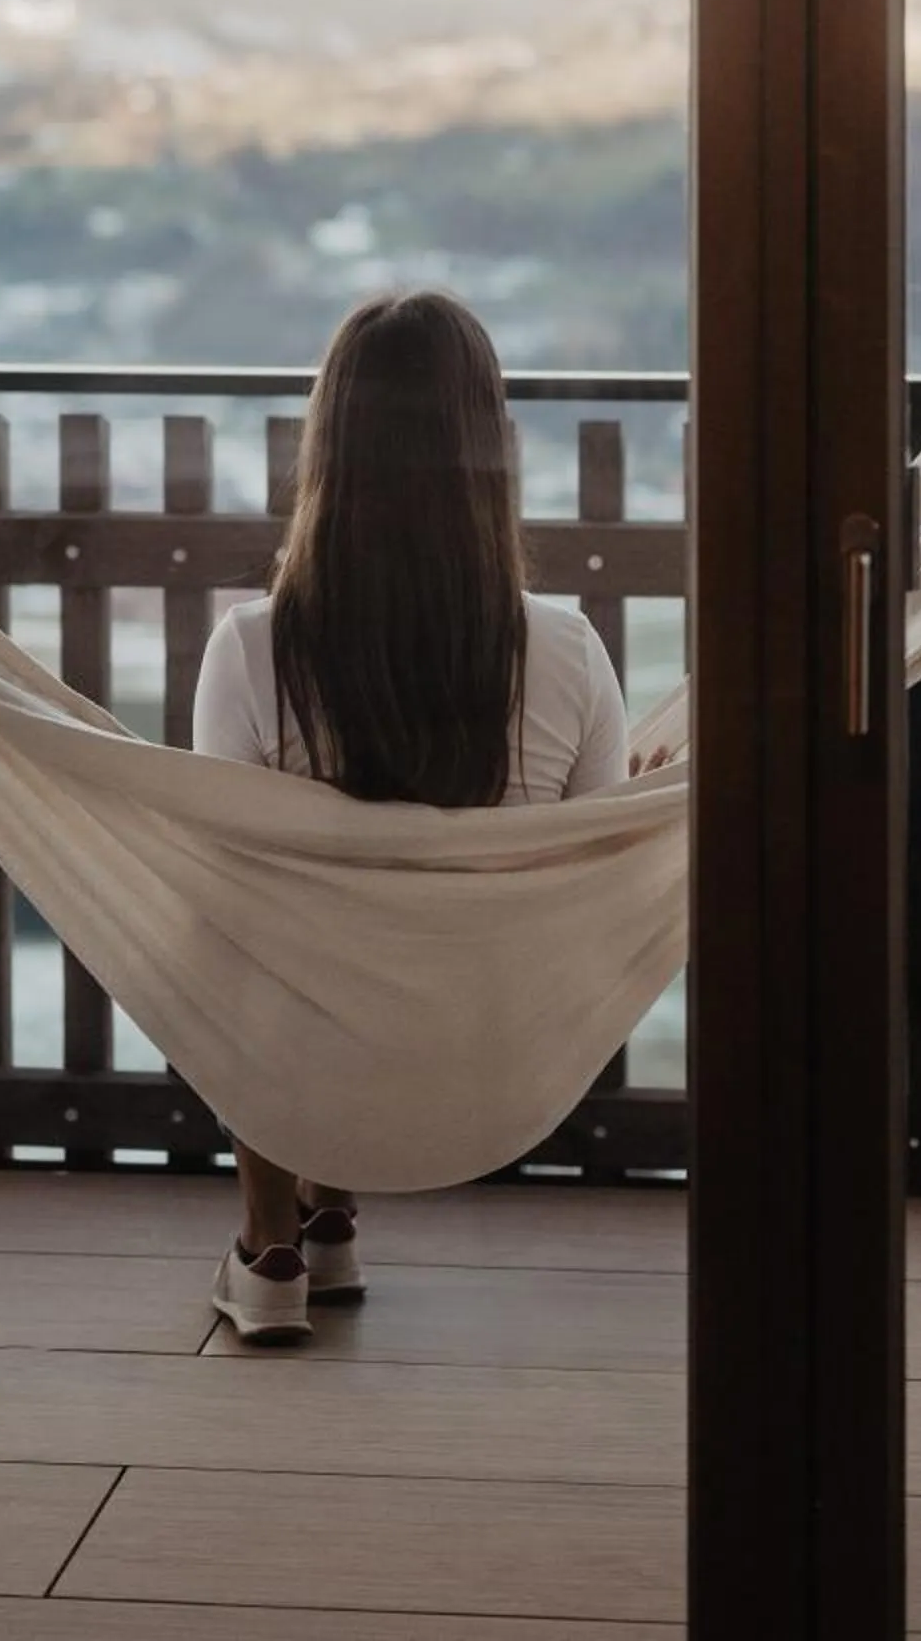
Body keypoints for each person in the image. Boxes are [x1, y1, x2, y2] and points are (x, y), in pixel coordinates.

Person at [191, 286, 633, 1344]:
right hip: (489, 1041)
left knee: (255, 928)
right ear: (488, 446)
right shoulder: (566, 650)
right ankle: (332, 1206)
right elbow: (598, 856)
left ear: (328, 445)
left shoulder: (252, 648)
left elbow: (224, 874)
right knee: (346, 935)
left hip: (308, 1039)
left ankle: (273, 1244)